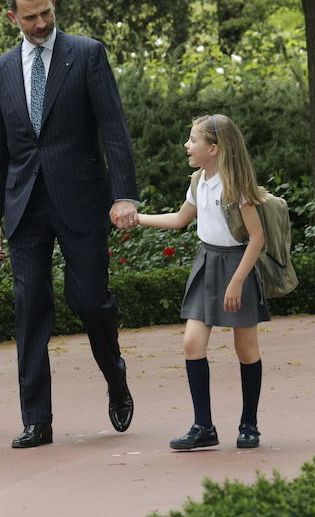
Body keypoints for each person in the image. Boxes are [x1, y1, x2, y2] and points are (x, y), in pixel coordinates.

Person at [0, 0, 139, 449]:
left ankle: (115, 375)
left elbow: (114, 127)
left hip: (83, 198)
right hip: (24, 206)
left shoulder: (87, 53)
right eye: (30, 17)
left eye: (46, 12)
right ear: (13, 18)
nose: (41, 22)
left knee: (90, 300)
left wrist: (125, 194)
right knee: (30, 309)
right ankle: (37, 420)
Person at [136, 114, 268, 450]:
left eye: (193, 140)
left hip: (237, 266)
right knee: (192, 344)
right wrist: (138, 218)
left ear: (214, 148)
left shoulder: (235, 185)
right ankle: (203, 427)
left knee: (246, 349)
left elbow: (256, 239)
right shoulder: (198, 181)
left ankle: (249, 426)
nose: (187, 146)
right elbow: (181, 219)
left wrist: (237, 282)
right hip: (207, 262)